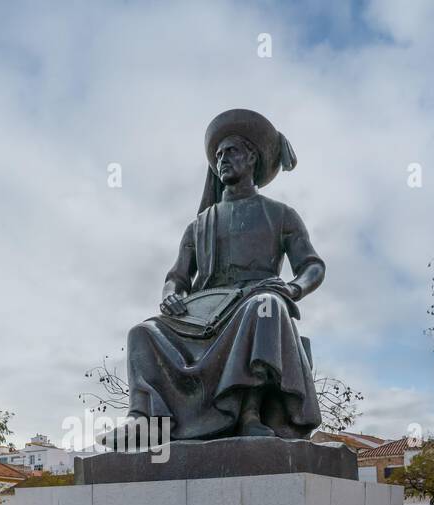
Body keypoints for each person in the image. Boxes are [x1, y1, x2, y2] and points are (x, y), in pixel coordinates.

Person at [125, 109, 325, 440]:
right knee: (141, 332)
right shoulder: (200, 224)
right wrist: (170, 294)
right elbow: (177, 276)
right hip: (204, 314)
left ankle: (247, 413)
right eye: (217, 155)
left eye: (230, 151)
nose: (222, 159)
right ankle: (144, 419)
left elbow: (313, 266)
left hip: (254, 303)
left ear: (252, 157)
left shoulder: (281, 214)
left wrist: (293, 289)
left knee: (265, 305)